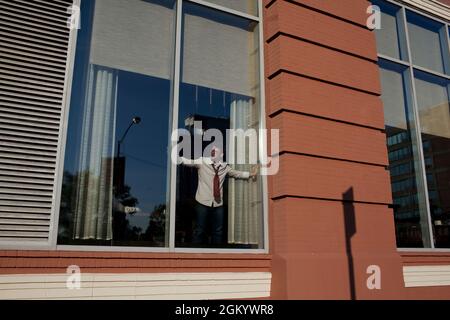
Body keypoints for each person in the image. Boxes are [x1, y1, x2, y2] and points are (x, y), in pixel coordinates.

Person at [179, 146, 258, 245]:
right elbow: (188, 161)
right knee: (200, 230)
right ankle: (197, 255)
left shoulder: (225, 167)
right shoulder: (202, 162)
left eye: (215, 151)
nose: (212, 152)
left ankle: (216, 254)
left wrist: (251, 174)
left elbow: (237, 173)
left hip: (218, 204)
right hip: (202, 202)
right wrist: (176, 157)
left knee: (218, 232)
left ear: (221, 155)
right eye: (211, 150)